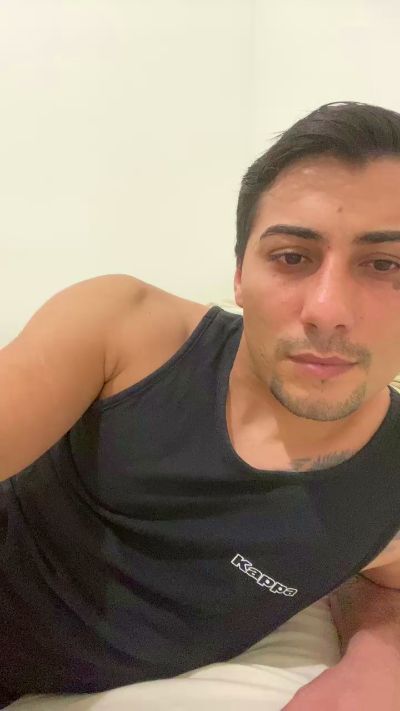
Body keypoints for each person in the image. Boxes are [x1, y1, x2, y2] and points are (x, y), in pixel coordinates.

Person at [2, 100, 400, 707]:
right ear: (240, 274)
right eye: (292, 257)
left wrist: (375, 664)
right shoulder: (125, 332)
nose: (327, 310)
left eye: (386, 264)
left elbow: (389, 585)